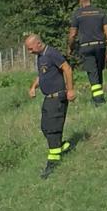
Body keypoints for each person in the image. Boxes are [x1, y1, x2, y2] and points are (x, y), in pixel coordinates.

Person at [25, 33, 75, 178]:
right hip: (47, 98)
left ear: (38, 44)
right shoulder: (40, 57)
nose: (30, 52)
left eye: (30, 48)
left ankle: (53, 163)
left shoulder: (52, 53)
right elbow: (41, 75)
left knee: (53, 130)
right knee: (45, 127)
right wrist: (33, 86)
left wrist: (70, 89)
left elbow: (67, 68)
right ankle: (60, 147)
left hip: (57, 97)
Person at [67, 0, 107, 107]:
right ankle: (99, 96)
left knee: (92, 74)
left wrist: (70, 47)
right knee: (98, 72)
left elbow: (72, 34)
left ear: (80, 1)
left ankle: (99, 101)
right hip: (100, 46)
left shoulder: (77, 14)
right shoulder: (101, 12)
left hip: (86, 46)